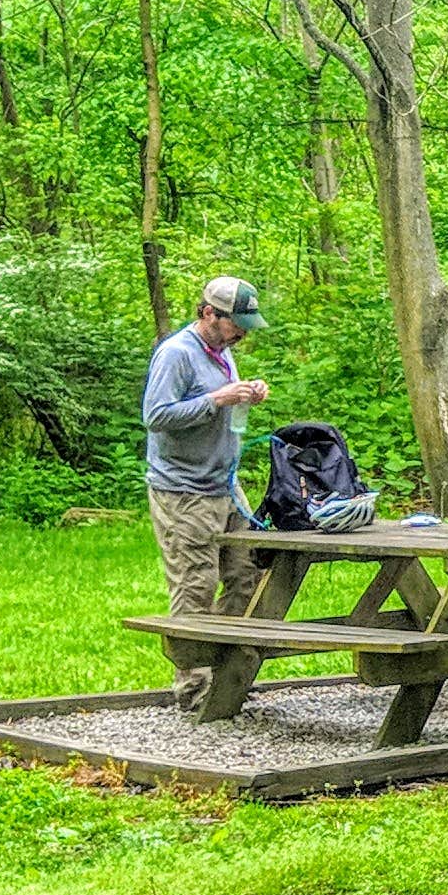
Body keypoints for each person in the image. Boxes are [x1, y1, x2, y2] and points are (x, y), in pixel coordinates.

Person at [144, 276, 273, 709]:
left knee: (248, 574)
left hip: (225, 484)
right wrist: (216, 400)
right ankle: (194, 690)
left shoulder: (224, 354)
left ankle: (226, 672)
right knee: (196, 584)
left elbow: (221, 402)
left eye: (246, 324)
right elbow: (157, 416)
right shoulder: (176, 354)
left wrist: (246, 393)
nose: (243, 332)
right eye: (236, 324)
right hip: (184, 490)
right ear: (208, 314)